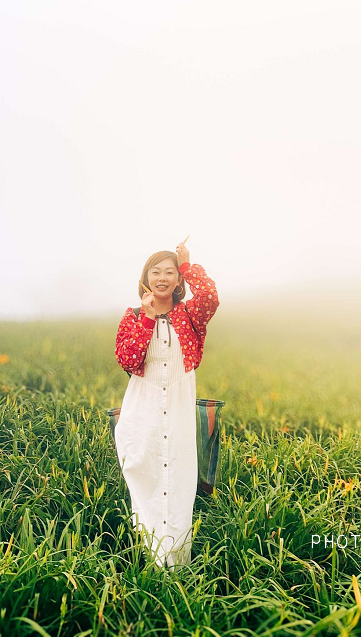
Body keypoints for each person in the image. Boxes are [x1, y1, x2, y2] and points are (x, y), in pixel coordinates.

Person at [114, 240, 219, 569]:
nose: (162, 277)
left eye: (170, 272)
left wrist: (189, 264)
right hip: (142, 409)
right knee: (142, 474)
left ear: (178, 280)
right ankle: (149, 558)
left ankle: (176, 563)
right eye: (155, 271)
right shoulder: (132, 317)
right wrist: (146, 318)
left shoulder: (190, 315)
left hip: (178, 409)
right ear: (146, 277)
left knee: (178, 479)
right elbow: (128, 360)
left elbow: (210, 298)